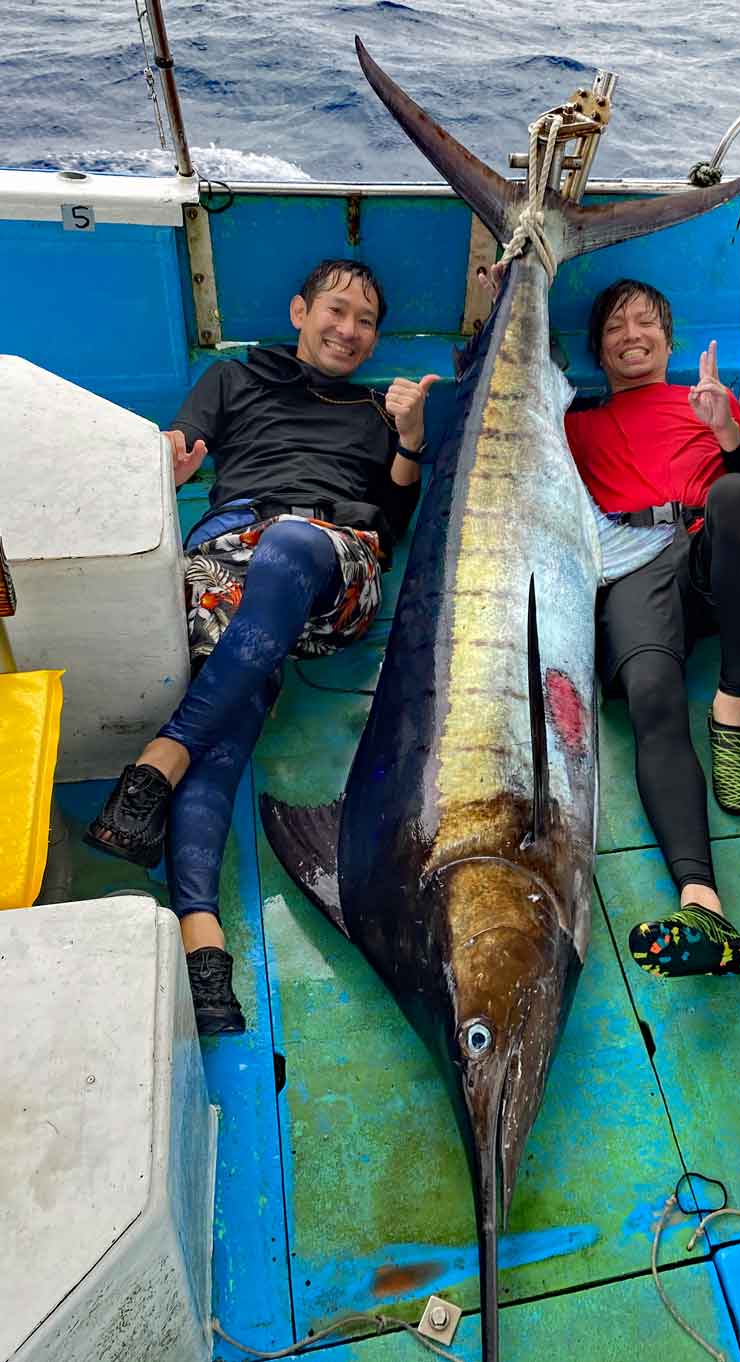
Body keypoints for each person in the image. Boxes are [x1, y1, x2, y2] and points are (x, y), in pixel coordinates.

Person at [86, 259, 438, 1034]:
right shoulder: (232, 379)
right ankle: (202, 944)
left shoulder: (380, 409)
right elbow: (179, 445)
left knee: (288, 546)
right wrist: (166, 465)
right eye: (336, 311)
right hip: (229, 559)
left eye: (366, 321)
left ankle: (157, 760)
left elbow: (396, 522)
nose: (349, 331)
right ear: (299, 310)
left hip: (329, 562)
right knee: (231, 723)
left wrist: (409, 438)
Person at [563, 278, 740, 981]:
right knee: (652, 695)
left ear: (668, 339)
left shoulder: (707, 404)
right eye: (617, 325)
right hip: (631, 567)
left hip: (709, 555)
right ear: (598, 349)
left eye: (647, 322)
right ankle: (702, 902)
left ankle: (732, 712)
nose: (633, 333)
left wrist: (725, 432)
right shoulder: (578, 426)